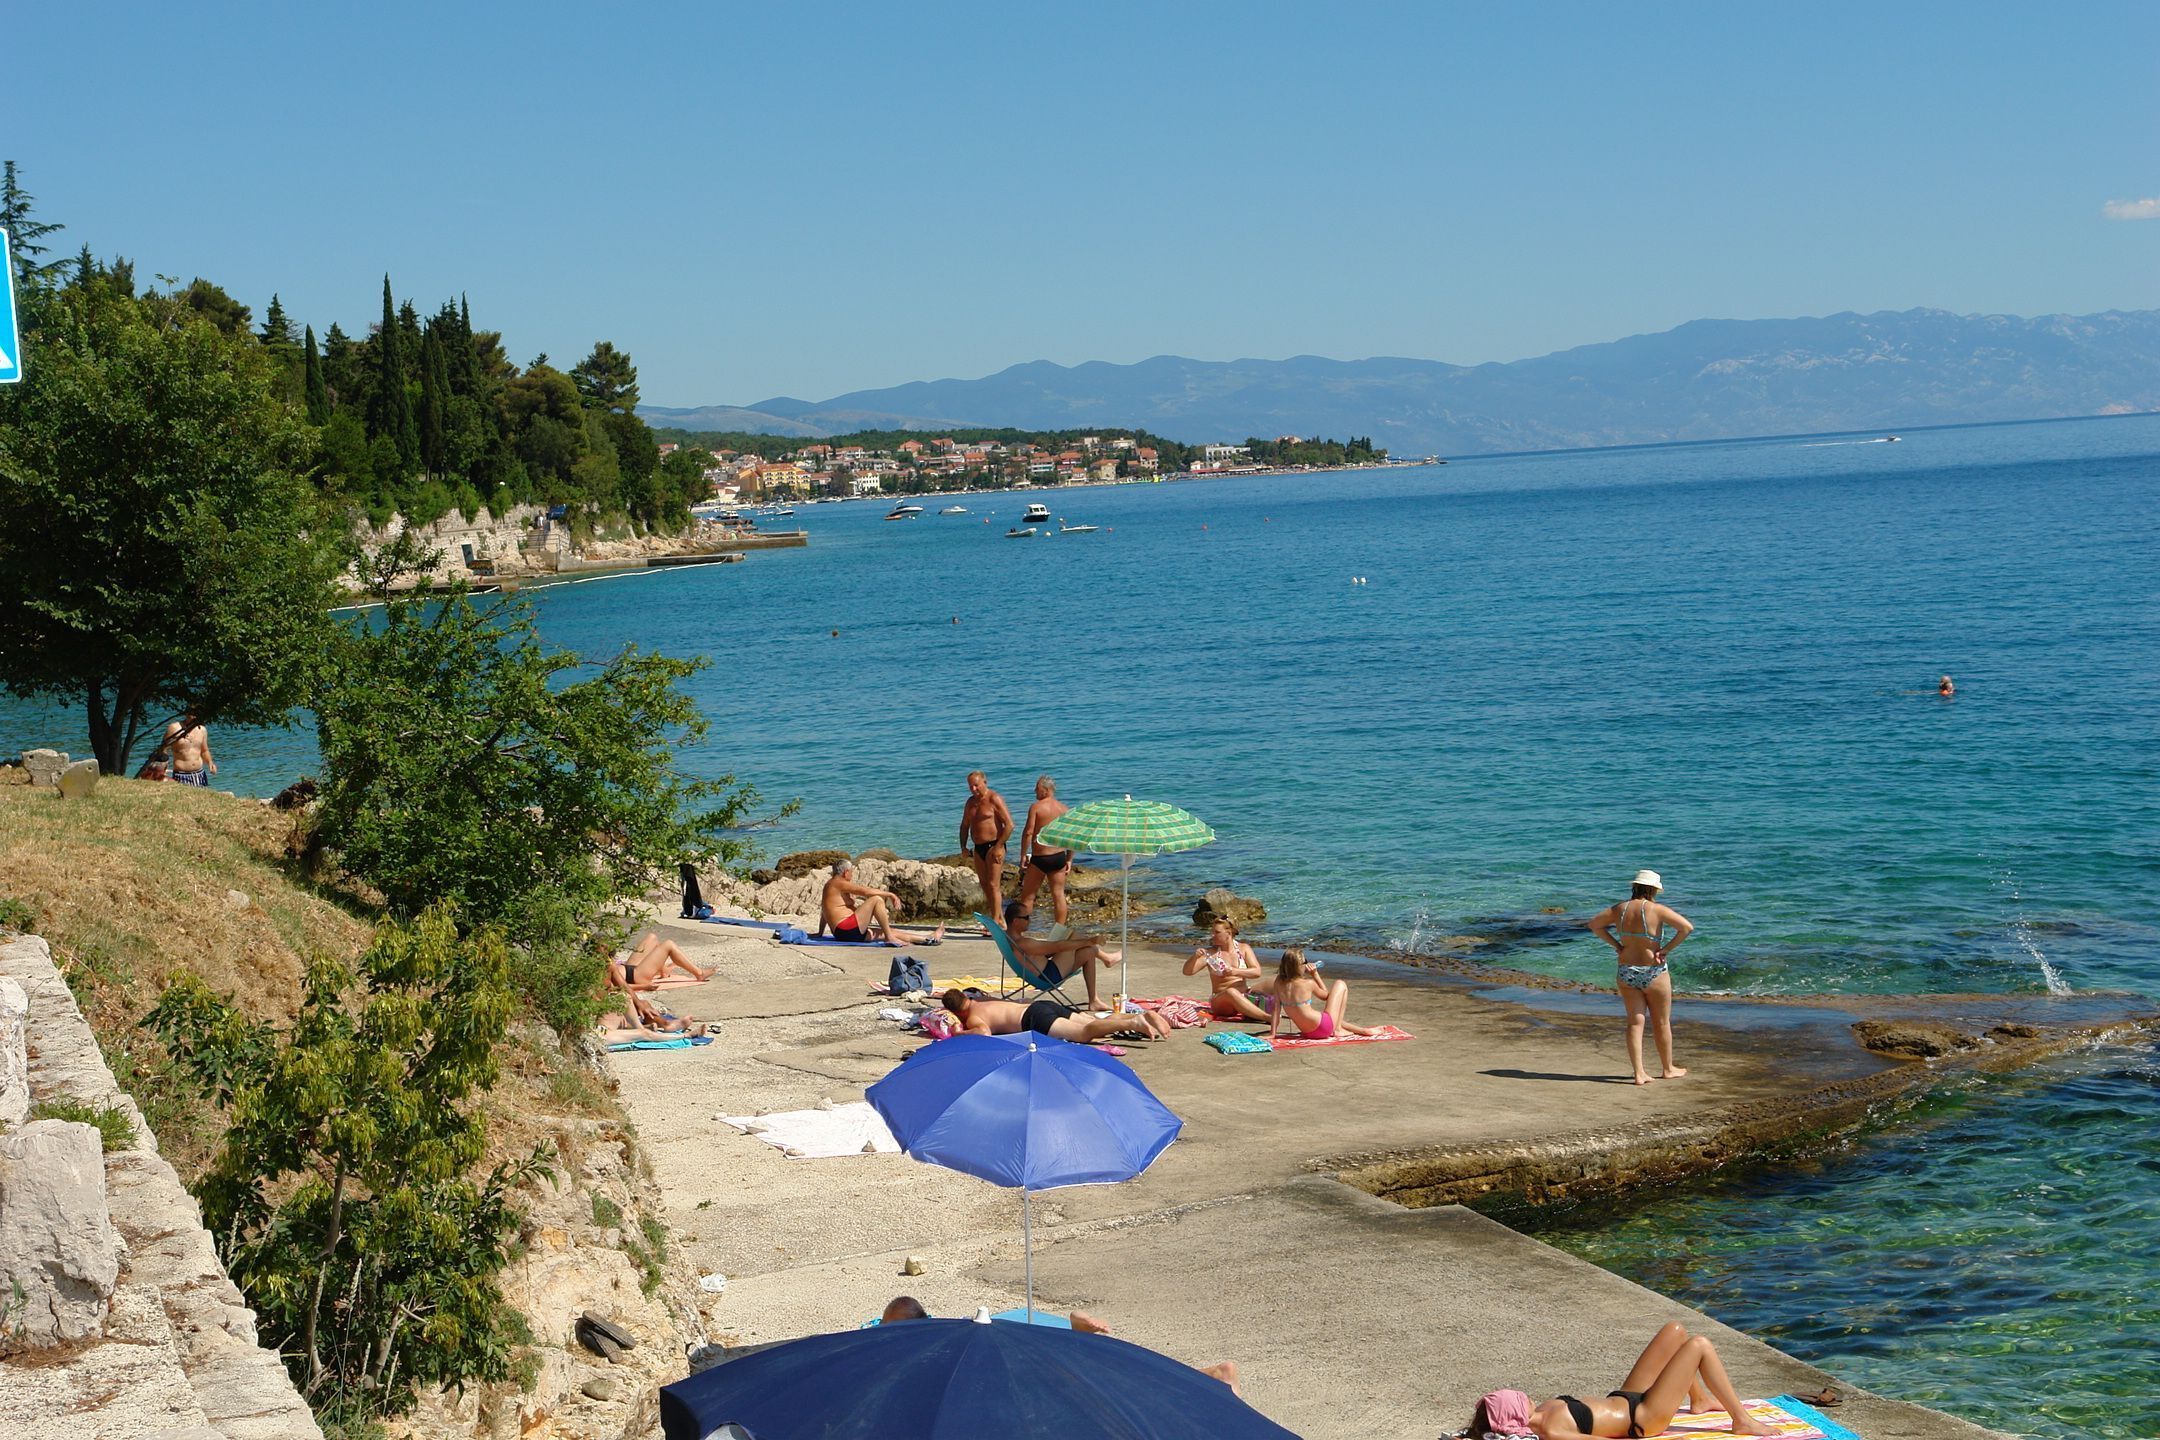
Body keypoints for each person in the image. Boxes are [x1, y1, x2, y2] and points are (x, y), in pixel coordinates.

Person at [1462, 1321, 1772, 1438]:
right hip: (1643, 1418)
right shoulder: (1553, 1430)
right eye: (1519, 1399)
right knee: (1700, 1345)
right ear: (1516, 1415)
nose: (1524, 1394)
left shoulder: (1541, 1411)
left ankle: (1700, 1399)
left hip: (1626, 1396)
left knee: (1675, 1332)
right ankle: (1741, 1419)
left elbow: (1479, 1428)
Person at [879, 1295, 1240, 1392]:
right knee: (1119, 1375)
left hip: (1019, 1365)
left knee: (1113, 1383)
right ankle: (1208, 1375)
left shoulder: (928, 1350)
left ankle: (1211, 1376)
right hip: (1019, 1345)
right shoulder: (931, 1333)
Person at [1588, 870, 1693, 1086]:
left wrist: (1617, 945)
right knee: (1661, 1022)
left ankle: (1639, 1073)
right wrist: (1665, 950)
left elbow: (1594, 925)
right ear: (1654, 889)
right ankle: (1668, 1069)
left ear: (1634, 886)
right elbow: (1686, 928)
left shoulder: (1619, 909)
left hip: (1626, 970)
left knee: (1635, 1023)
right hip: (1654, 972)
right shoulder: (1657, 910)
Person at [1003, 901, 1123, 1010]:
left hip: (1047, 970)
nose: (1030, 921)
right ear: (1015, 921)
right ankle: (1107, 959)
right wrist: (1089, 941)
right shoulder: (1023, 943)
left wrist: (1087, 944)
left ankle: (1094, 1001)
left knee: (1089, 951)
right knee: (1073, 935)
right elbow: (1058, 947)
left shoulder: (1009, 939)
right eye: (1026, 917)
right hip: (1049, 975)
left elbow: (1047, 951)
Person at [941, 988, 1169, 1043]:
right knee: (1093, 1021)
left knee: (1083, 1034)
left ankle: (1137, 1022)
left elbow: (983, 1032)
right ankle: (1142, 1016)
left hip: (1034, 1019)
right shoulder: (981, 1001)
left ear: (957, 1010)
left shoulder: (971, 1016)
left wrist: (959, 1032)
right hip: (1042, 1005)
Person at [821, 860, 945, 947]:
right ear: (845, 872)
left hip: (844, 933)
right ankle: (889, 938)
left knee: (892, 930)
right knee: (876, 899)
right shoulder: (838, 883)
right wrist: (891, 895)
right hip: (846, 929)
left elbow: (825, 910)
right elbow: (866, 892)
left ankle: (929, 938)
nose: (852, 874)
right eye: (851, 872)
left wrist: (820, 932)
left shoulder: (830, 885)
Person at [1268, 946, 1379, 1041]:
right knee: (1340, 984)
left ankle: (1363, 1030)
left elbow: (1276, 1009)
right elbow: (1326, 996)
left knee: (1326, 1016)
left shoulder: (1278, 982)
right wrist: (1315, 975)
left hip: (1308, 1033)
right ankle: (1338, 1029)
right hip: (1324, 1028)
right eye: (1305, 961)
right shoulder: (1308, 983)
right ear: (1299, 966)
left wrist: (1273, 1034)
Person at [1013, 775, 1074, 925]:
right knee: (1058, 895)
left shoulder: (1036, 807)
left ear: (1046, 790)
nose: (1034, 791)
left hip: (1040, 858)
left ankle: (1021, 930)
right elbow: (1072, 837)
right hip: (1058, 857)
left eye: (1037, 788)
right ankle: (1059, 932)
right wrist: (1069, 859)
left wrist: (1022, 855)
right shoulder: (1064, 809)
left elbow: (1028, 832)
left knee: (1028, 897)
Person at [1183, 919, 1268, 1021]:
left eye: (1217, 932)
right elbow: (1187, 972)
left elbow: (1257, 972)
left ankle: (1290, 1010)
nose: (1213, 935)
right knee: (1231, 992)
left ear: (1228, 933)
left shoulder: (1244, 948)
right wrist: (1194, 957)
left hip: (1244, 994)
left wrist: (1234, 971)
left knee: (1274, 982)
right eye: (1212, 932)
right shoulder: (1210, 953)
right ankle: (1267, 1018)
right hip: (1221, 1001)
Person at [959, 771, 1014, 917]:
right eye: (971, 786)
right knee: (984, 885)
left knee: (993, 885)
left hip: (994, 846)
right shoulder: (970, 802)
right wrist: (963, 846)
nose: (973, 789)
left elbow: (1009, 825)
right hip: (978, 848)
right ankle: (999, 918)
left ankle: (995, 920)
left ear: (984, 782)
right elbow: (964, 825)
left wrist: (999, 846)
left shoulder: (994, 799)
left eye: (976, 785)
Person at [608, 931, 715, 990]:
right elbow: (613, 988)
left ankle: (662, 970)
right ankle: (699, 973)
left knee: (652, 938)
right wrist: (643, 986)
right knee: (668, 945)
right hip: (635, 977)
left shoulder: (602, 962)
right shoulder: (599, 971)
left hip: (629, 969)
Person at [160, 711, 216, 787]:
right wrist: (162, 767)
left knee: (200, 798)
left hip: (199, 774)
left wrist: (210, 763)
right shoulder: (174, 728)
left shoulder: (202, 730)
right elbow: (163, 748)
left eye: (197, 715)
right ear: (186, 714)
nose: (194, 717)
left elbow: (204, 750)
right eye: (192, 714)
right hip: (181, 775)